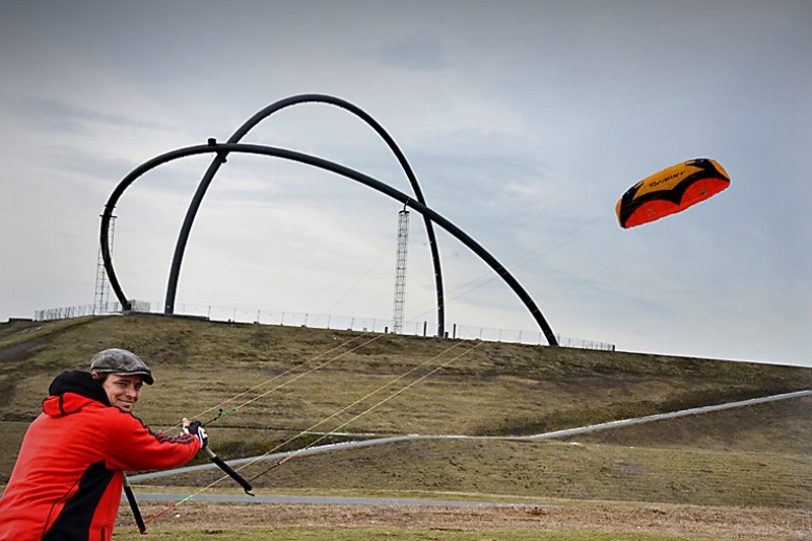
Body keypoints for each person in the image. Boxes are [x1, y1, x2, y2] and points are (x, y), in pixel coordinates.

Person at [0, 348, 208, 541]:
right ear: (97, 381)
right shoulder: (110, 422)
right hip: (54, 532)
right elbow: (167, 452)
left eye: (137, 387)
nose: (132, 394)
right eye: (122, 384)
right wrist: (194, 438)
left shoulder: (46, 417)